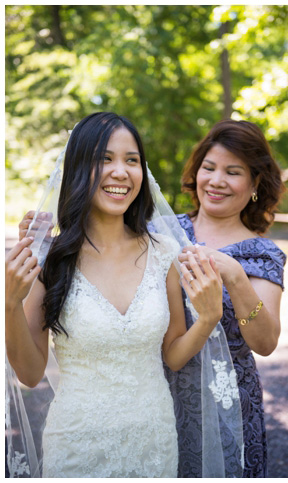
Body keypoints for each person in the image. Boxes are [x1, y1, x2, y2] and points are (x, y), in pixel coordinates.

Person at [5, 112, 224, 477]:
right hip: (76, 447)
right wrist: (10, 303)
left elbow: (171, 355)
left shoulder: (164, 252)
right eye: (103, 159)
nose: (120, 172)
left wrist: (208, 319)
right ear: (76, 168)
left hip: (153, 444)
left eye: (131, 160)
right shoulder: (51, 259)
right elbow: (29, 373)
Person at [169, 120, 287, 476]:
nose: (216, 180)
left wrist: (236, 277)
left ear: (254, 184)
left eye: (232, 172)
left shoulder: (263, 255)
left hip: (228, 399)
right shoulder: (162, 232)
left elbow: (265, 342)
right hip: (158, 392)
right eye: (209, 168)